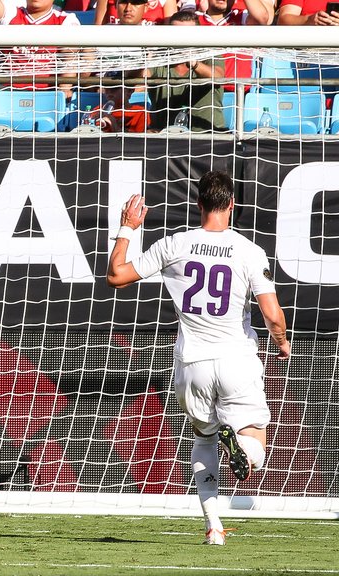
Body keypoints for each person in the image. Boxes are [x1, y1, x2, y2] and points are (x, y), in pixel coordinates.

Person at [106, 171, 291, 546]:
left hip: (192, 365)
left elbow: (116, 276)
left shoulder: (175, 244)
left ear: (199, 205)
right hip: (236, 359)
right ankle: (240, 449)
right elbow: (271, 313)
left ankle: (214, 528)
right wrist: (282, 342)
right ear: (232, 205)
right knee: (255, 445)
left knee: (203, 438)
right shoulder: (248, 250)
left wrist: (127, 228)